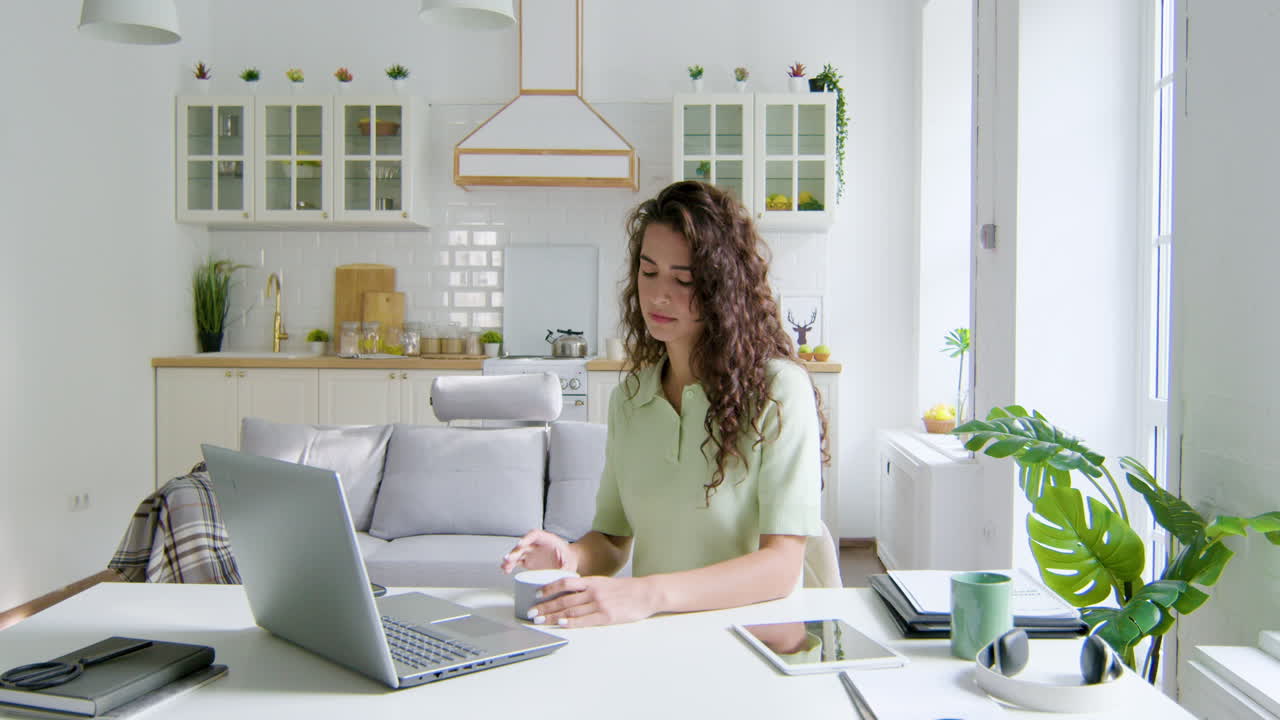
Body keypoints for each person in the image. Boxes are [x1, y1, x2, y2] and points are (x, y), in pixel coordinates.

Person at [500, 180, 829, 628]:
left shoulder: (778, 390)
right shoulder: (630, 399)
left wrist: (647, 593)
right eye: (648, 271)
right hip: (655, 636)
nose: (658, 295)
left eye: (684, 279)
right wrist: (569, 555)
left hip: (754, 637)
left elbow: (781, 567)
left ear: (723, 289)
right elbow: (614, 542)